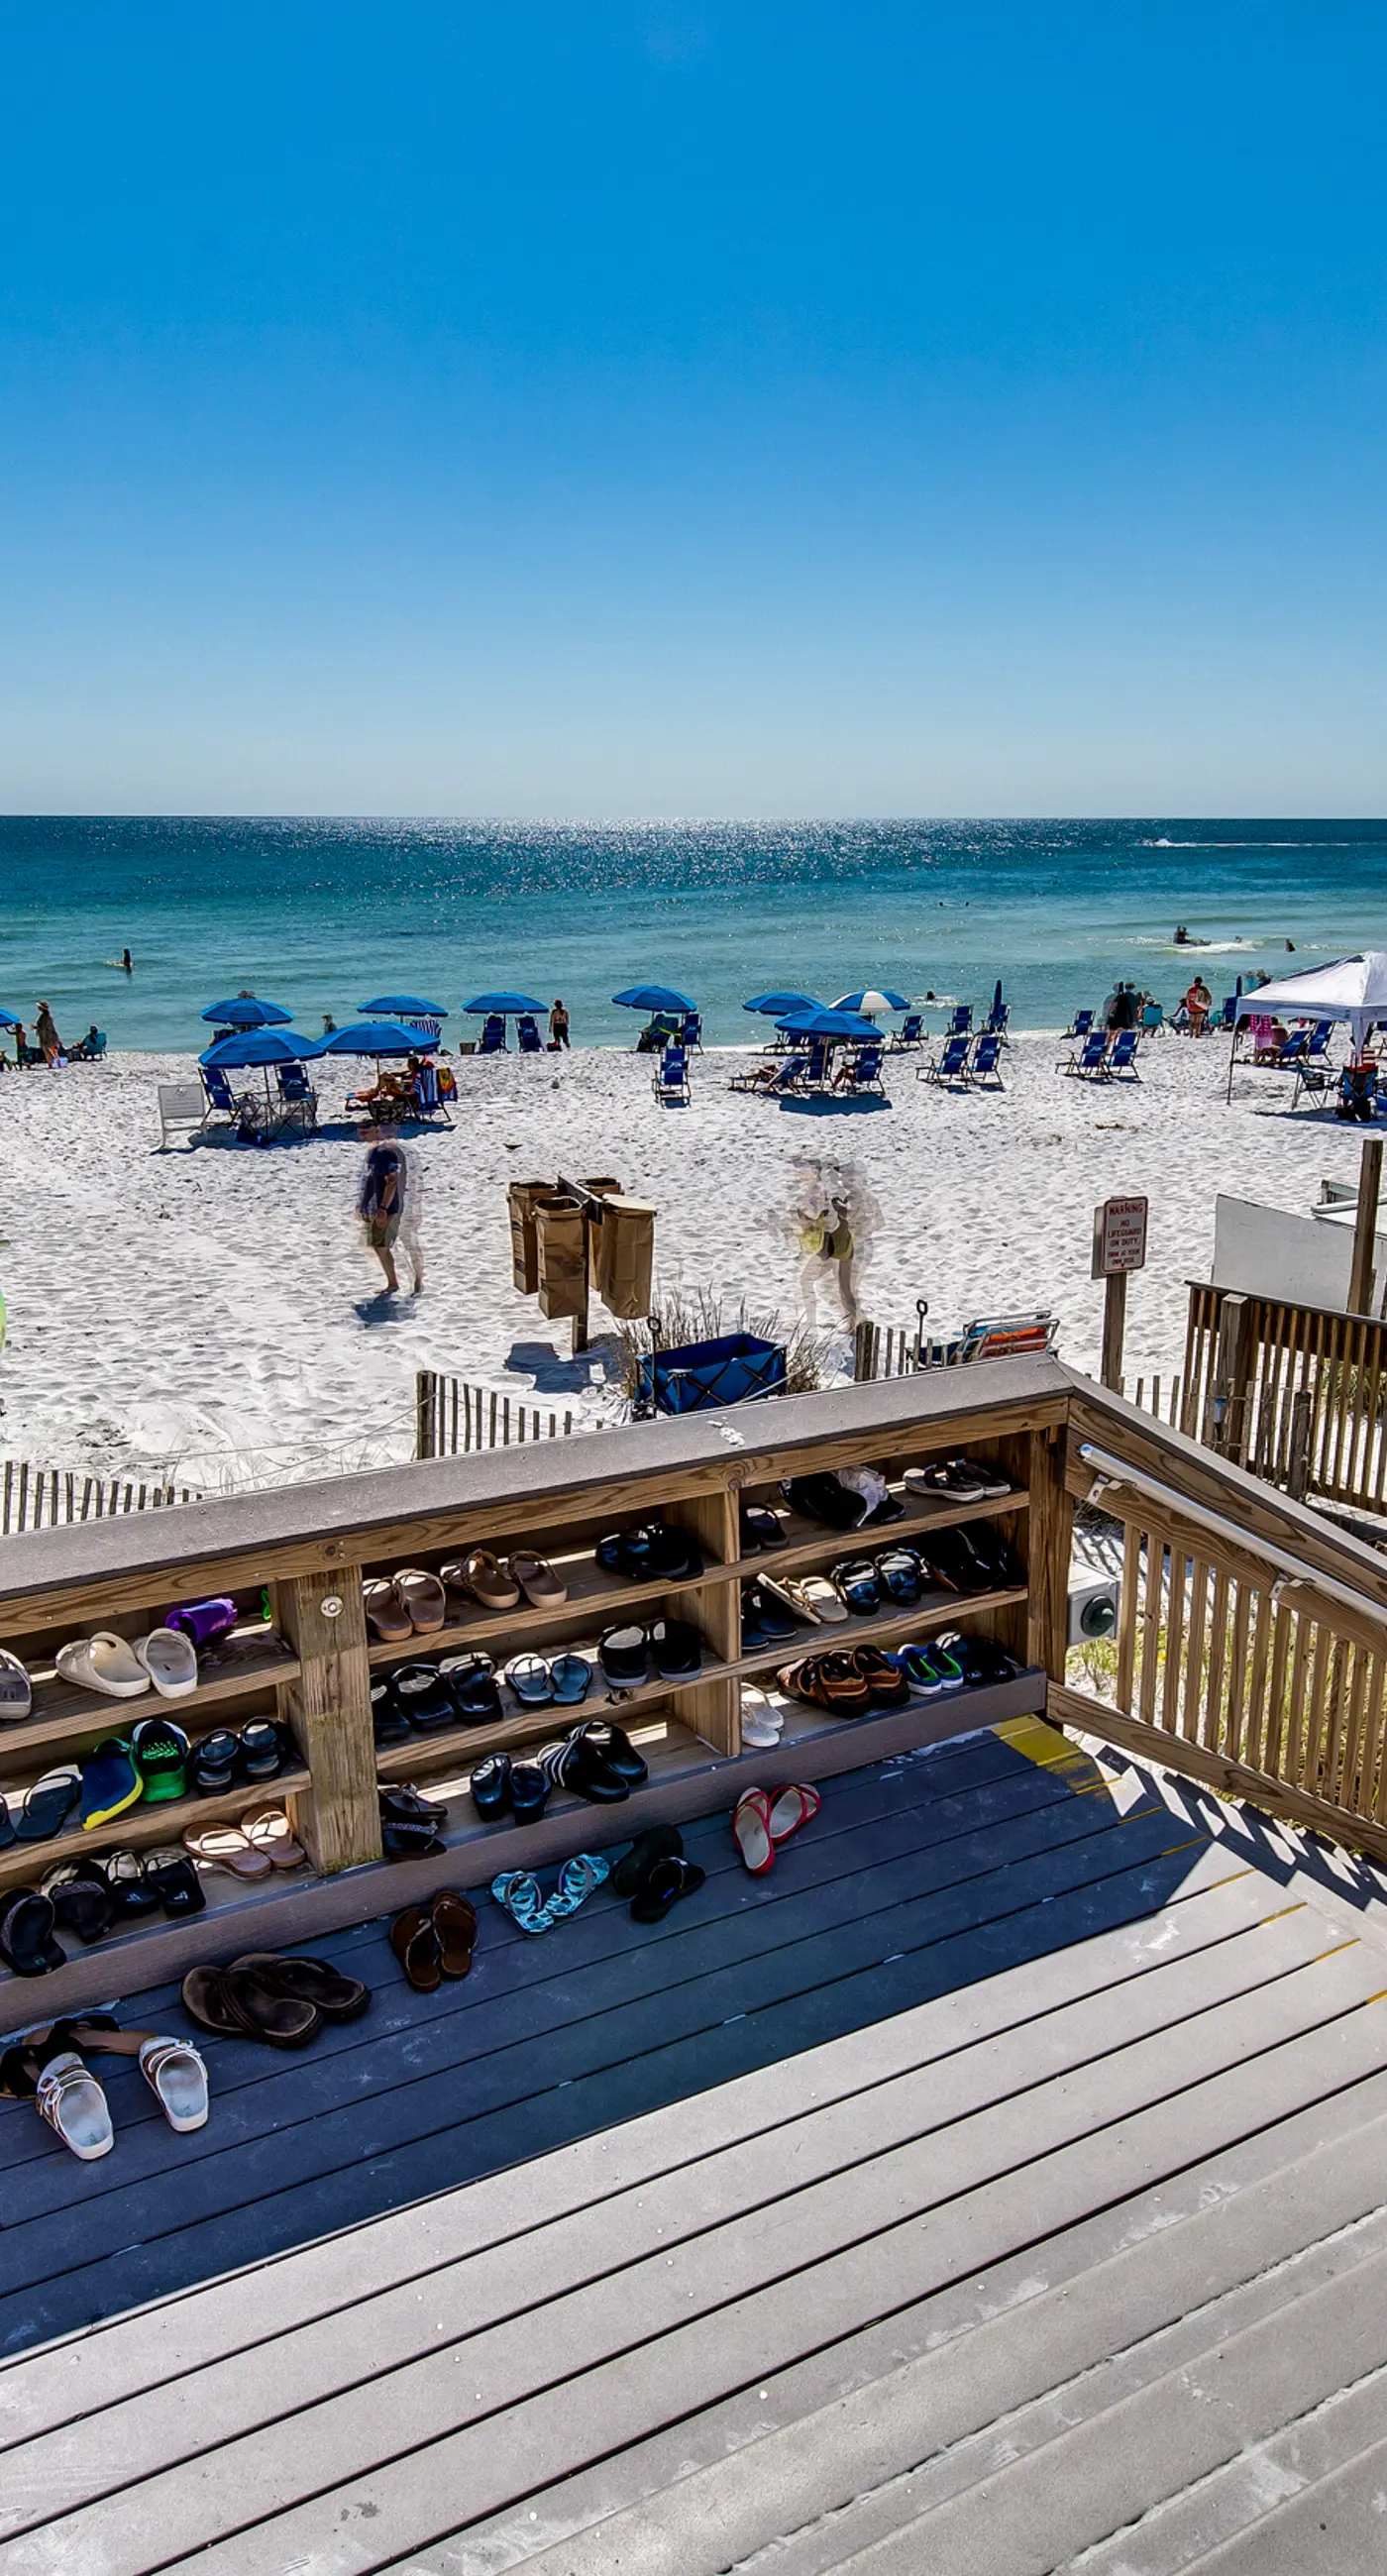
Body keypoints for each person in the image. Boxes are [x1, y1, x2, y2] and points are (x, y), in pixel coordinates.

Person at [357, 1124, 422, 1294]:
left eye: (366, 1132)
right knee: (379, 1245)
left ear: (376, 1131)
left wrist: (383, 1208)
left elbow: (391, 1181)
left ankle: (395, 1283)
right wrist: (364, 1204)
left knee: (382, 1245)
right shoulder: (373, 1153)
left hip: (388, 1206)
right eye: (361, 1132)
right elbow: (371, 1180)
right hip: (380, 1206)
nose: (363, 1135)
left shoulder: (384, 1153)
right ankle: (394, 1282)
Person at [34, 1001, 64, 1065]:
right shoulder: (45, 1015)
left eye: (39, 1007)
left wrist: (36, 1027)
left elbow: (45, 1027)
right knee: (50, 1050)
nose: (38, 1008)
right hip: (47, 1035)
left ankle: (54, 1063)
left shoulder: (46, 1016)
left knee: (47, 1050)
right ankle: (54, 1064)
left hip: (48, 1036)